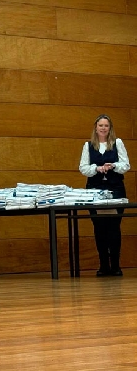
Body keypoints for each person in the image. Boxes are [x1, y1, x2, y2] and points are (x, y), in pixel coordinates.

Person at [79, 114, 130, 277]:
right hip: (94, 190)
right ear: (96, 128)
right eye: (100, 125)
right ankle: (103, 265)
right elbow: (83, 168)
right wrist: (96, 168)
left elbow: (126, 165)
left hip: (115, 190)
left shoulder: (117, 143)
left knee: (114, 227)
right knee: (99, 227)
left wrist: (113, 166)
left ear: (110, 128)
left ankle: (115, 265)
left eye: (106, 126)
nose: (103, 128)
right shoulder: (88, 145)